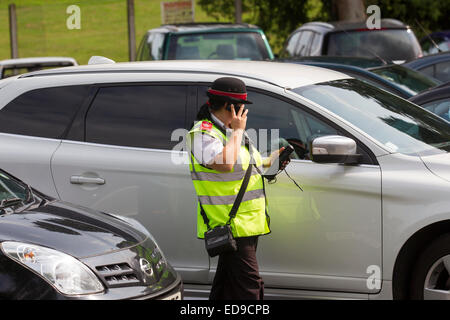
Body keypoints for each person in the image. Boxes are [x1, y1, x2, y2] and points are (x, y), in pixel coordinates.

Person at [186, 77, 290, 300]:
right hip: (231, 223)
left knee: (227, 285)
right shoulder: (204, 133)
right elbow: (224, 164)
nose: (244, 112)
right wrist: (237, 132)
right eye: (242, 107)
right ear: (230, 107)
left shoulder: (231, 132)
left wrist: (271, 161)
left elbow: (246, 166)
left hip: (246, 223)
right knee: (249, 286)